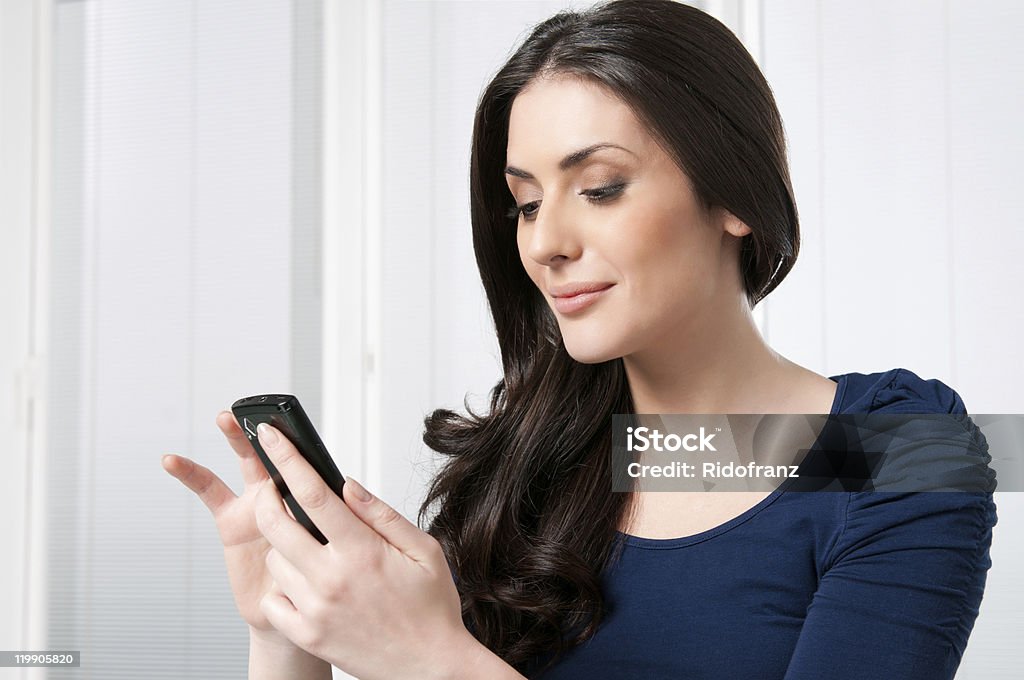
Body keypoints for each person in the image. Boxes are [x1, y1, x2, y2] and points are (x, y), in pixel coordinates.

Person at [162, 1, 998, 678]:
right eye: (525, 202)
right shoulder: (530, 471)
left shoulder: (905, 446)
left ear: (735, 196)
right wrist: (288, 635)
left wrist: (434, 660)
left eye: (599, 188)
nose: (544, 241)